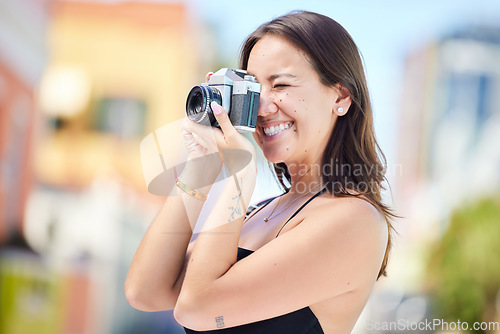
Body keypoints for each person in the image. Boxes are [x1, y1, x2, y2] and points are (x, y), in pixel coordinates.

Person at [125, 10, 395, 334]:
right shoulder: (260, 213)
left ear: (340, 96)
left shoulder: (354, 219)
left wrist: (240, 177)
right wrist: (202, 167)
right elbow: (145, 291)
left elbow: (196, 309)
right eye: (254, 90)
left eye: (281, 85)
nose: (262, 109)